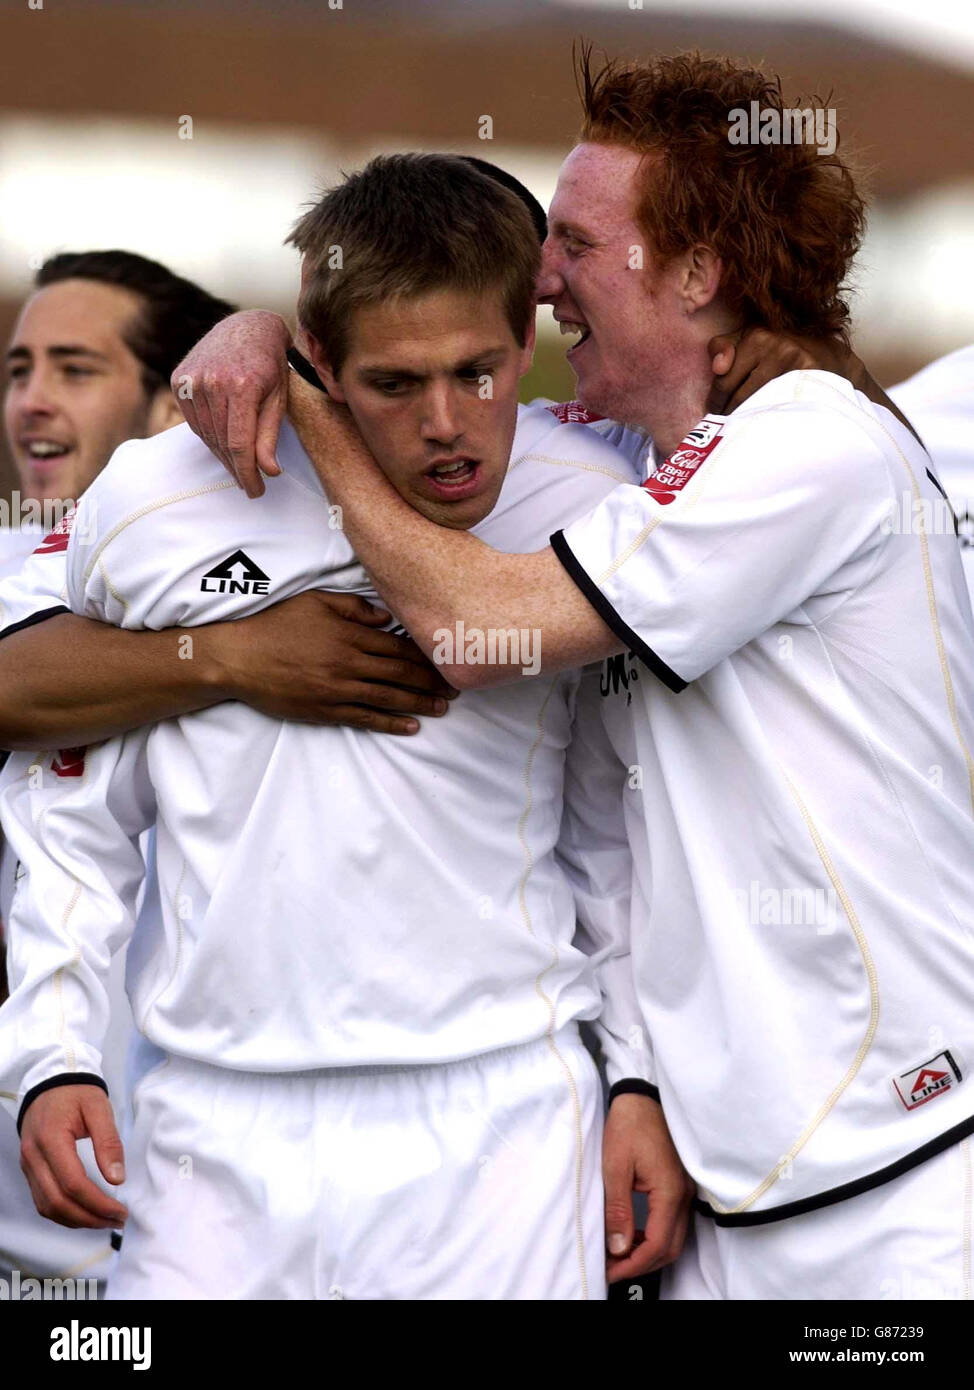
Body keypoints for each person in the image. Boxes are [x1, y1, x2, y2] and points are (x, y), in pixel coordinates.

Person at [182, 53, 974, 1300]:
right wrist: (268, 326)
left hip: (898, 1178)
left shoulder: (807, 444)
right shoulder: (650, 455)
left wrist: (313, 410)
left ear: (699, 273)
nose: (540, 274)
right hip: (722, 1193)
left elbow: (466, 622)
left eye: (576, 242)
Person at [0, 153, 683, 1301]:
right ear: (314, 362)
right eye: (394, 383)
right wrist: (52, 1051)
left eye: (478, 372)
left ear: (528, 335)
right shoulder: (154, 500)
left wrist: (637, 1081)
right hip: (210, 1132)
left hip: (502, 1122)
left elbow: (627, 828)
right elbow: (75, 812)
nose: (447, 425)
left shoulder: (598, 497)